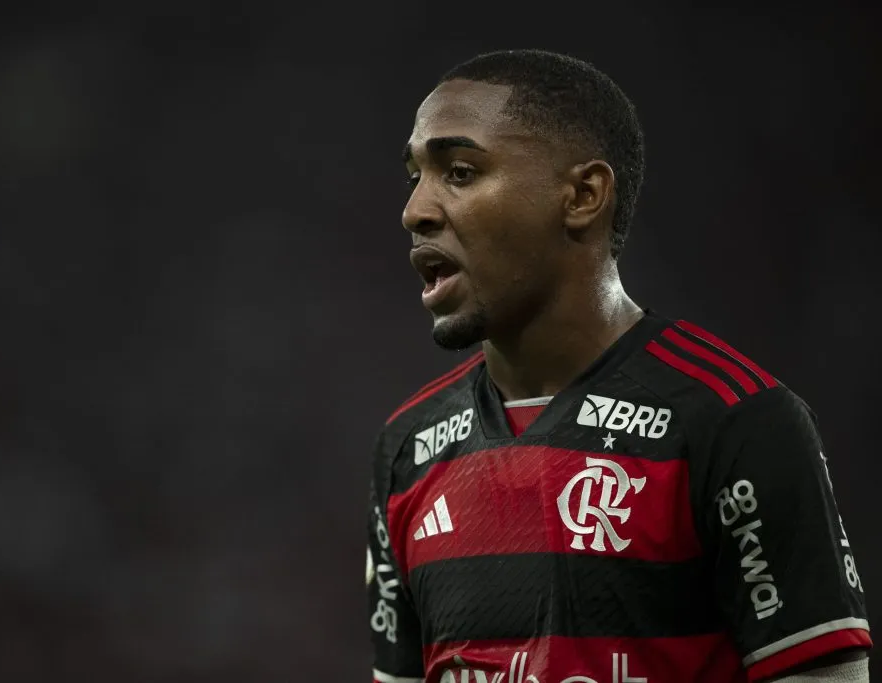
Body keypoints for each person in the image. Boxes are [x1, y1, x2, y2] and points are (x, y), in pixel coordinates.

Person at [366, 49, 871, 683]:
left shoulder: (735, 421)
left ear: (582, 196)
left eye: (460, 171)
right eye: (415, 176)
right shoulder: (407, 449)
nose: (416, 210)